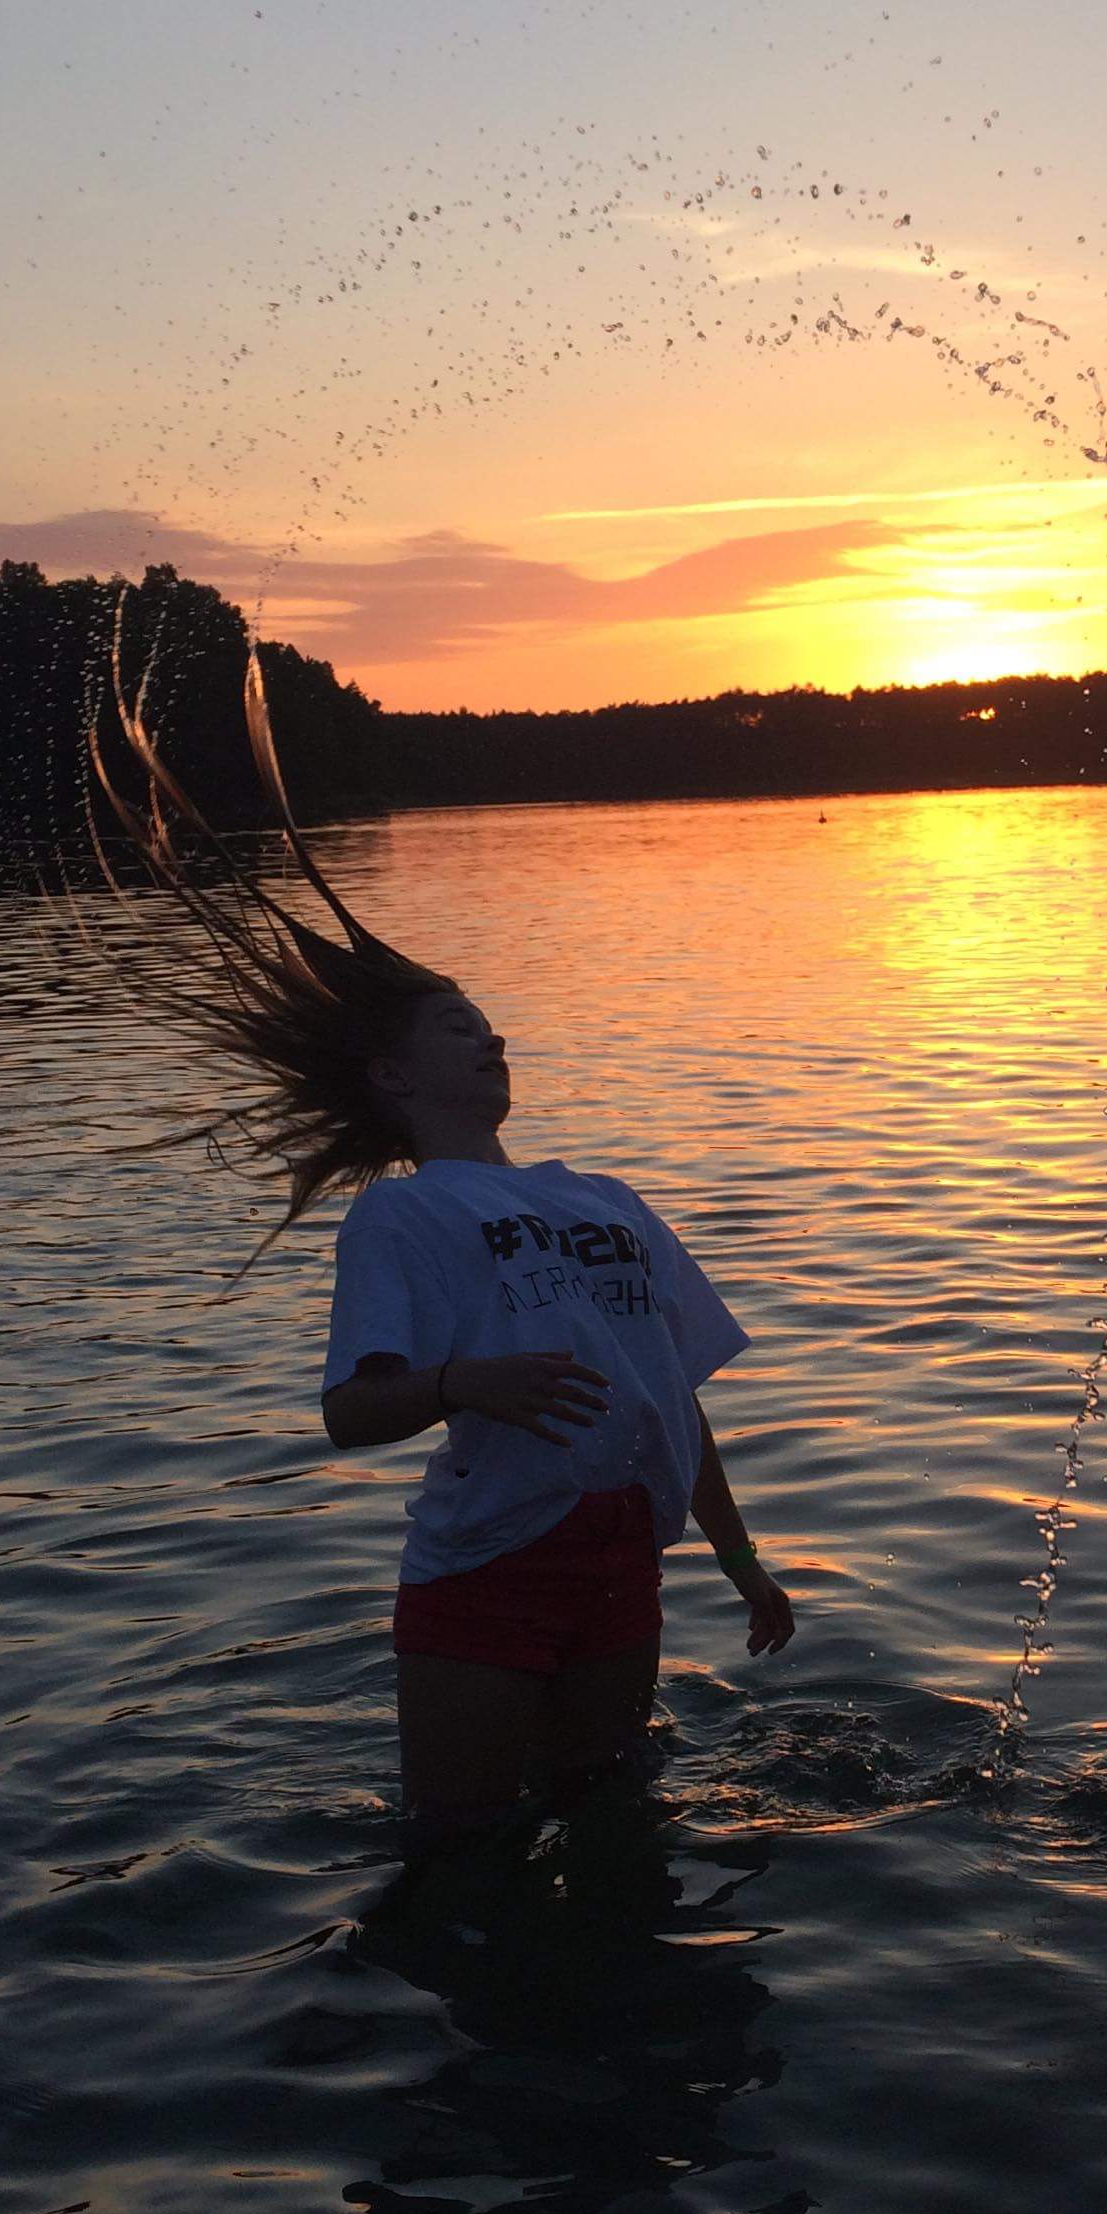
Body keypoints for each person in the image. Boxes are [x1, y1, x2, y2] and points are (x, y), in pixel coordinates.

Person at [94, 650, 794, 1886]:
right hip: (489, 1568)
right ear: (394, 1076)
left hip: (623, 1561)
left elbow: (674, 1401)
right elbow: (349, 1412)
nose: (493, 1037)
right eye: (460, 1026)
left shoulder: (607, 1201)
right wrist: (466, 1383)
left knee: (612, 1829)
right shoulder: (404, 1217)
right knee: (460, 1858)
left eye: (492, 1025)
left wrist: (742, 1563)